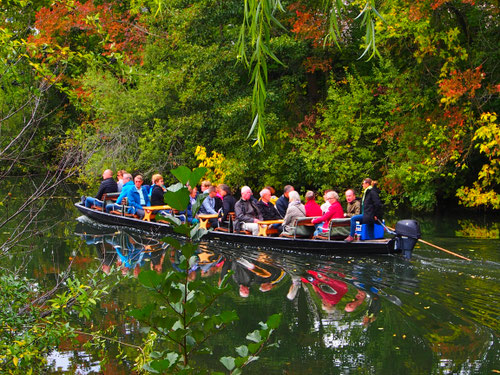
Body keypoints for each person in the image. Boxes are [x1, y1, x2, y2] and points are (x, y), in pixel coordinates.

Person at [345, 178, 383, 242]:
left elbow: (378, 204)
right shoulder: (367, 192)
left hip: (369, 215)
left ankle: (351, 236)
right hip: (368, 215)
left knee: (353, 218)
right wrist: (355, 199)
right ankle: (373, 244)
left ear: (367, 184)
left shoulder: (372, 192)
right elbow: (365, 201)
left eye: (363, 183)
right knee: (370, 230)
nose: (362, 185)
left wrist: (376, 215)